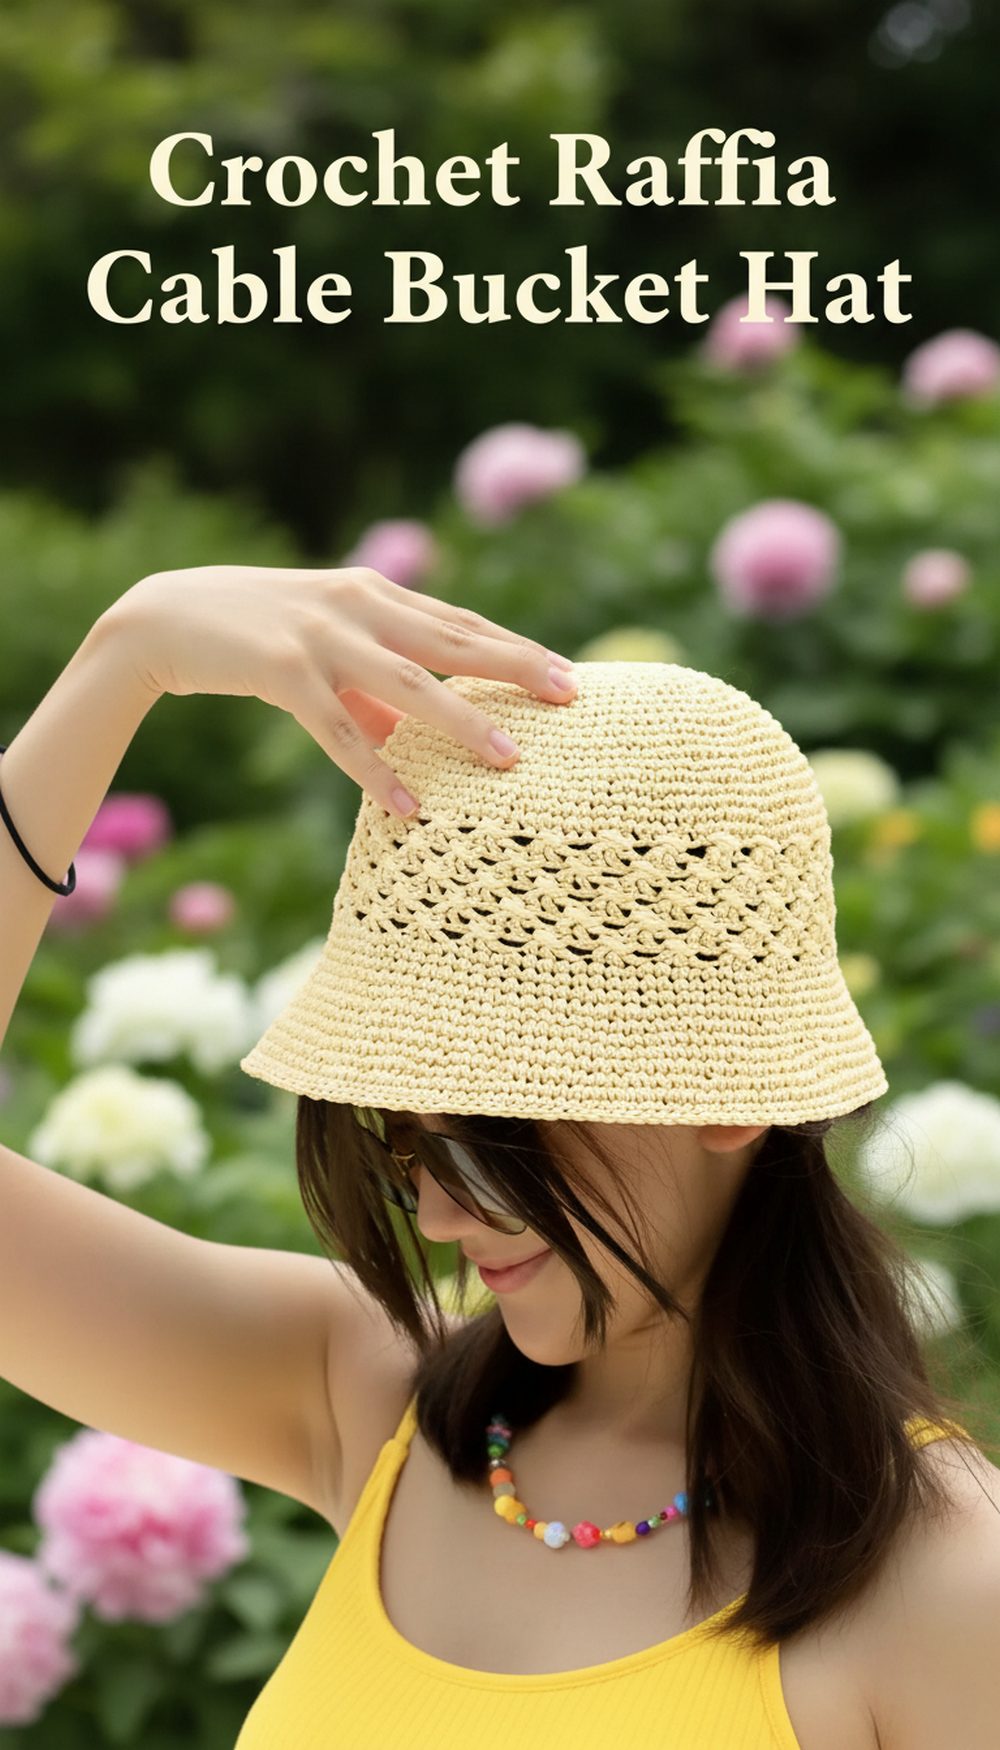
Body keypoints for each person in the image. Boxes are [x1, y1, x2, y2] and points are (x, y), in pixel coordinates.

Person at [1, 563, 998, 1750]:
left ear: (726, 1094)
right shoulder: (370, 1394)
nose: (434, 1216)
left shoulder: (944, 1582)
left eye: (485, 1143)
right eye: (402, 1140)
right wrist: (123, 660)